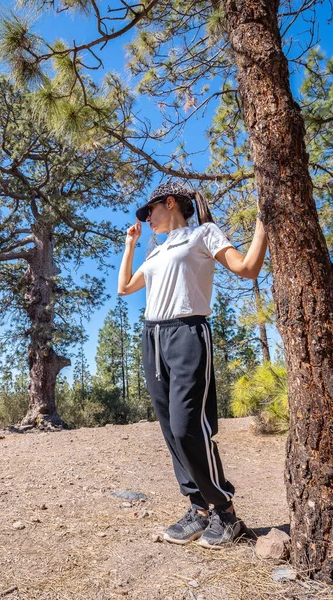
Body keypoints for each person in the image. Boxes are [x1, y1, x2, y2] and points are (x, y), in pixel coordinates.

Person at [117, 181, 267, 549]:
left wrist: (265, 220)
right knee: (170, 430)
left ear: (169, 204)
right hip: (153, 338)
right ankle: (199, 509)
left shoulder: (203, 234)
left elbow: (246, 269)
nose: (146, 219)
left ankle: (225, 512)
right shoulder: (155, 252)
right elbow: (124, 288)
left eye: (148, 211)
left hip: (187, 333)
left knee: (187, 426)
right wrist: (131, 245)